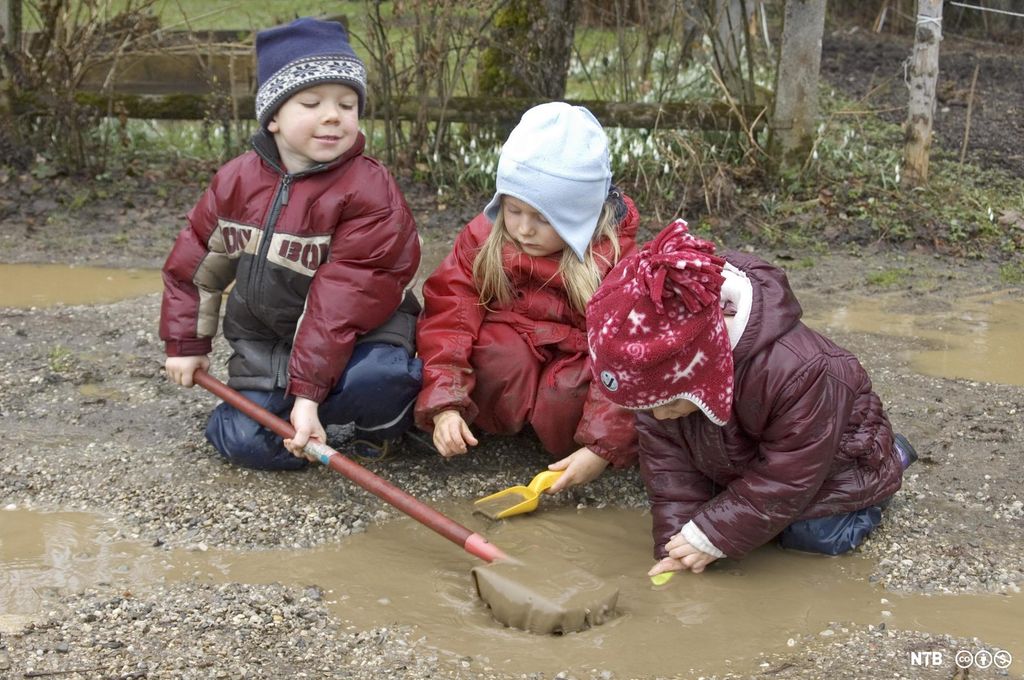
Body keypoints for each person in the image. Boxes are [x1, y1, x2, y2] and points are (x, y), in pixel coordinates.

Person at [160, 17, 422, 470]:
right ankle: (306, 433)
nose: (332, 116)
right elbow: (193, 268)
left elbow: (339, 304)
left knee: (380, 379)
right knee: (240, 440)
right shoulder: (235, 182)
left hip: (361, 338)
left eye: (347, 103)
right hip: (269, 345)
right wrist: (187, 343)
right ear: (274, 117)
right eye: (311, 103)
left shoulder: (369, 190)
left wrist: (308, 394)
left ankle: (381, 427)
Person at [586, 220, 918, 577]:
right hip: (746, 451)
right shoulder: (661, 386)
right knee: (723, 515)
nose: (659, 415)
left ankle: (892, 459)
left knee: (811, 535)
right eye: (647, 408)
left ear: (703, 372)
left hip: (835, 460)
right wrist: (676, 542)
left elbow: (788, 475)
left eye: (667, 405)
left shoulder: (801, 371)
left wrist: (713, 534)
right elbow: (669, 469)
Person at [414, 102, 640, 492]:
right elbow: (449, 316)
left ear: (581, 217)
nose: (522, 229)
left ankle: (566, 441)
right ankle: (491, 424)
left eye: (544, 218)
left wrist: (602, 448)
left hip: (576, 366)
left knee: (567, 392)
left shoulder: (616, 261)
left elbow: (627, 357)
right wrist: (445, 403)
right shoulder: (486, 239)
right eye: (513, 209)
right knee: (500, 356)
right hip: (515, 350)